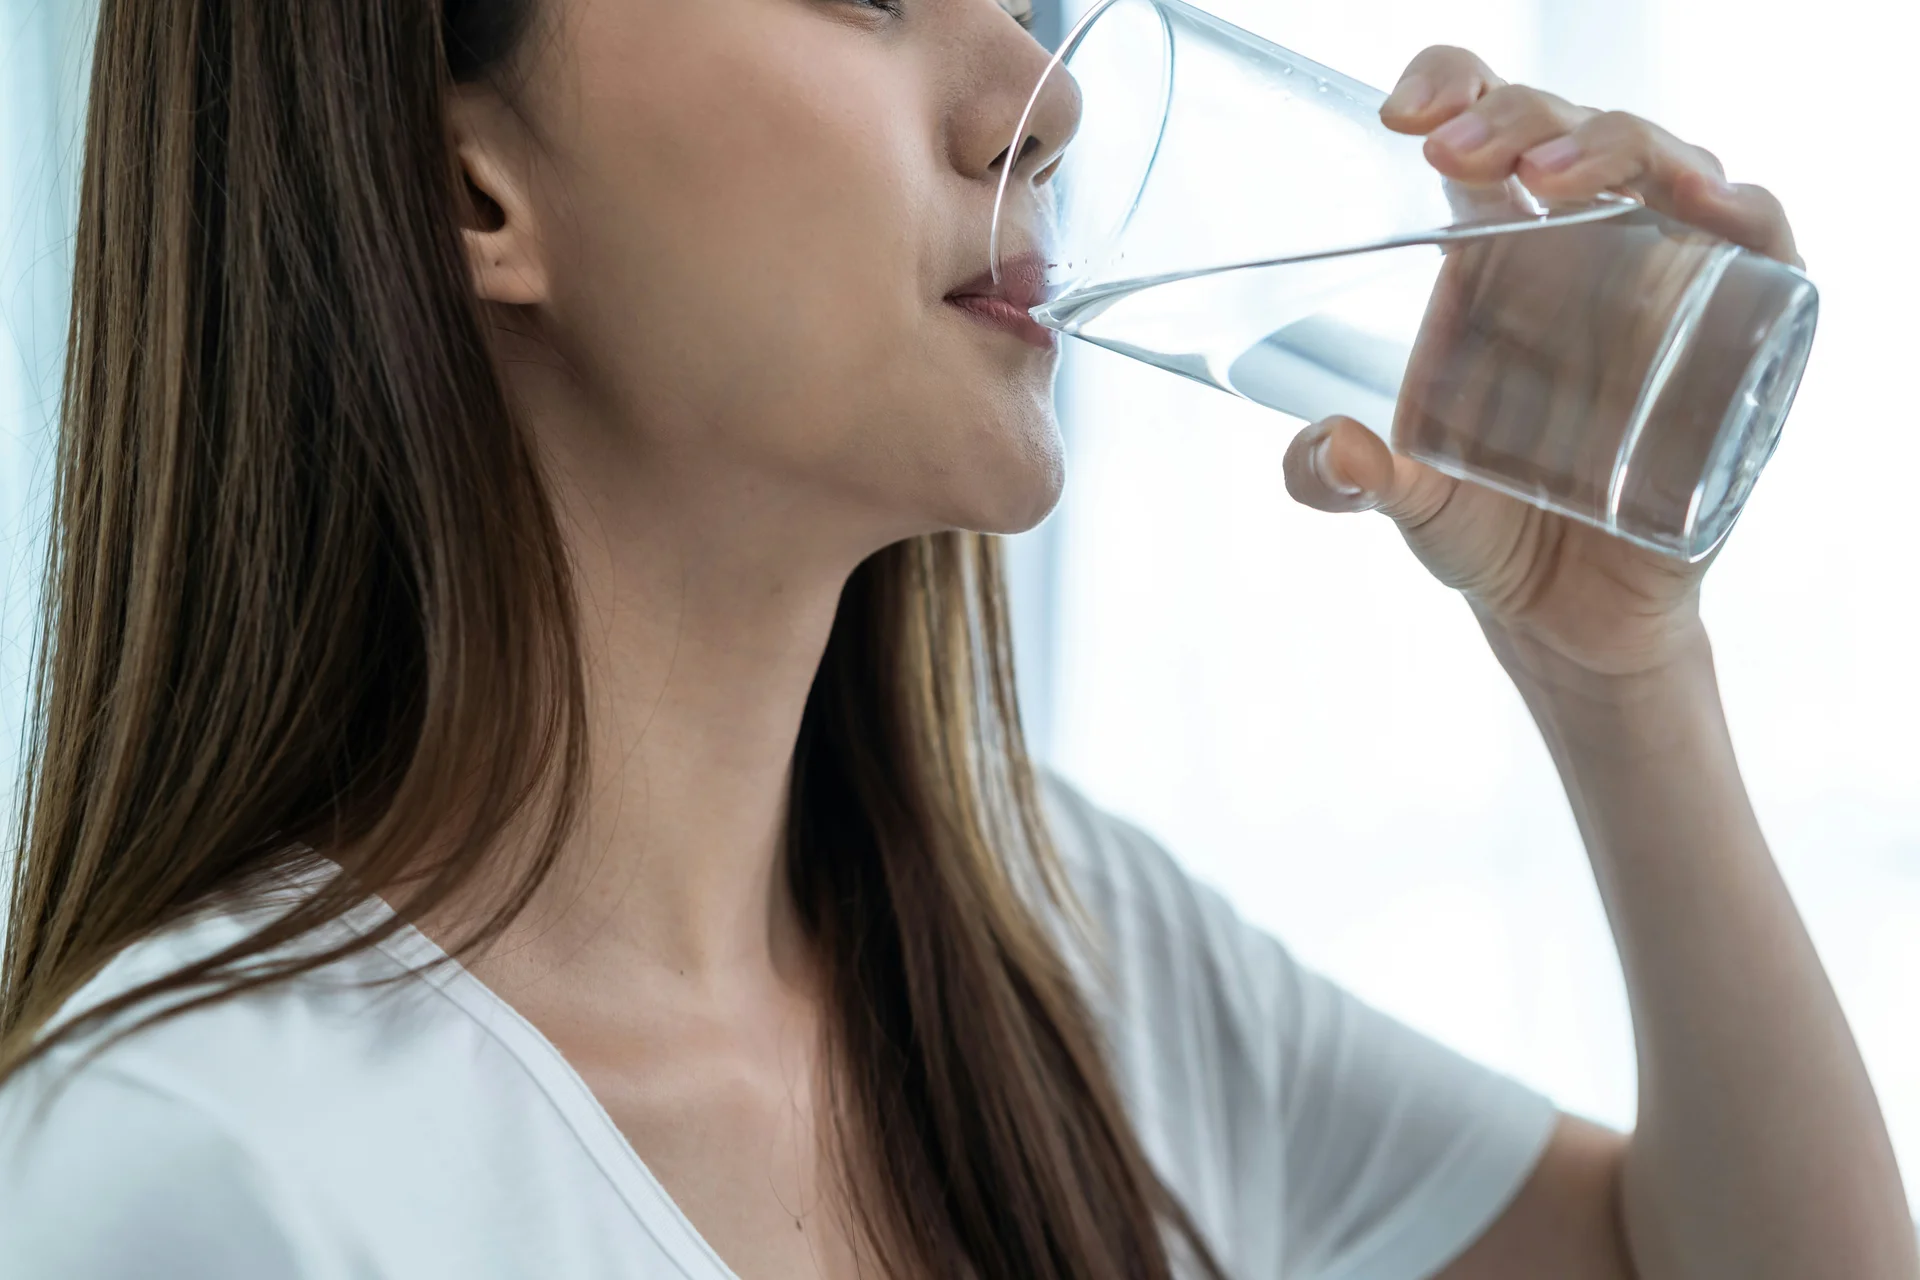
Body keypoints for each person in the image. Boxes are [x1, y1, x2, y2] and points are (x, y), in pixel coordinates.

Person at [0, 0, 1910, 1276]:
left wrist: (1618, 675)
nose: (1046, 94)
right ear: (468, 188)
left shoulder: (1072, 962)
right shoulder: (198, 1174)